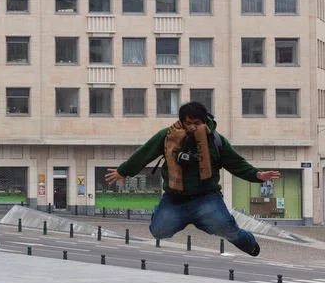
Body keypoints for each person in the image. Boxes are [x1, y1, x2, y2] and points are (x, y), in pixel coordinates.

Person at [106, 101, 280, 257]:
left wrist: (257, 175)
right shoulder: (168, 136)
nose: (192, 127)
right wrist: (123, 171)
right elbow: (144, 153)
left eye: (196, 123)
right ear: (181, 122)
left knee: (230, 231)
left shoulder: (216, 141)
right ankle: (169, 214)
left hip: (206, 197)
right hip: (175, 198)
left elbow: (236, 163)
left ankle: (250, 244)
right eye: (188, 123)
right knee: (158, 232)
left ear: (204, 122)